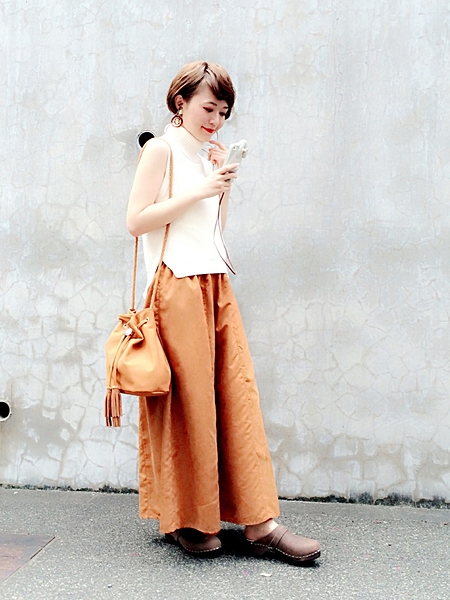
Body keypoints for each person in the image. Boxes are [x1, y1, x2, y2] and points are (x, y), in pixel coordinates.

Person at [126, 61, 320, 565]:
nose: (216, 120)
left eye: (224, 112)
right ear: (181, 103)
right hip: (176, 286)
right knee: (190, 405)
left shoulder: (205, 154)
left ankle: (261, 523)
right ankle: (190, 519)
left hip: (215, 283)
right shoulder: (160, 150)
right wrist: (199, 189)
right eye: (208, 108)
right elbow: (135, 221)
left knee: (236, 399)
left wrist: (221, 185)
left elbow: (213, 230)